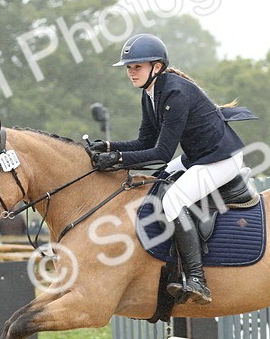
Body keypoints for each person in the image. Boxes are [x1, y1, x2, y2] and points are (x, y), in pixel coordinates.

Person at [89, 34, 255, 304]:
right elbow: (145, 141)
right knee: (157, 184)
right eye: (129, 68)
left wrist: (117, 159)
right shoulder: (150, 93)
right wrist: (108, 146)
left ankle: (198, 279)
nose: (131, 72)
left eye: (137, 67)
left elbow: (162, 154)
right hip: (199, 157)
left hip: (221, 159)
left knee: (173, 199)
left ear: (157, 67)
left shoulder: (175, 93)